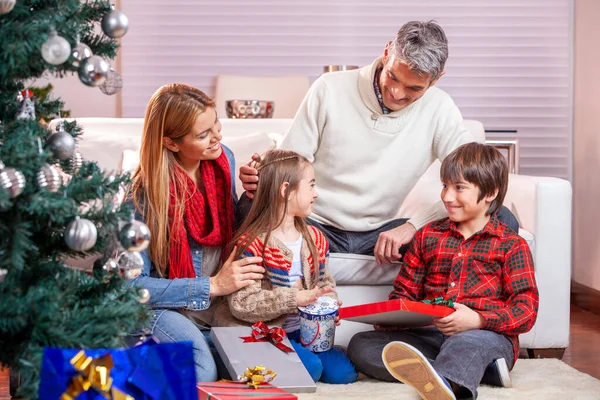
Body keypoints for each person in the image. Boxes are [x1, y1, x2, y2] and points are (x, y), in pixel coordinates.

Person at [238, 20, 519, 265]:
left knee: (499, 218)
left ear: (436, 80)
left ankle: (469, 318)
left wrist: (412, 226)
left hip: (382, 233)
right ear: (386, 52)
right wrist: (265, 174)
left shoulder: (440, 108)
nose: (397, 93)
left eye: (414, 88)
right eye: (393, 77)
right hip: (312, 223)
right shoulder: (329, 88)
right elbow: (292, 160)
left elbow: (475, 184)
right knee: (248, 203)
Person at [346, 142, 539, 399]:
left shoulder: (511, 245)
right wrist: (391, 318)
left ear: (490, 192)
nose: (447, 197)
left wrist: (478, 320)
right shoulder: (428, 236)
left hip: (482, 335)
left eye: (459, 188)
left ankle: (450, 385)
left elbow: (525, 310)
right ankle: (478, 371)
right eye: (445, 186)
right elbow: (404, 294)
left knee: (466, 344)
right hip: (429, 335)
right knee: (361, 345)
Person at [127, 83, 265, 382]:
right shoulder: (140, 197)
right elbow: (129, 287)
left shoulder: (221, 159)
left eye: (216, 125)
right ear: (171, 143)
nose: (217, 138)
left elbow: (225, 228)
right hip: (162, 308)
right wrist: (212, 285)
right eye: (203, 135)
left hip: (212, 307)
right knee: (202, 372)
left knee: (255, 369)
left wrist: (252, 196)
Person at [216, 149, 358, 384]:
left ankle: (297, 354)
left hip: (303, 331)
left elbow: (325, 283)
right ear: (286, 190)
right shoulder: (251, 244)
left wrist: (328, 304)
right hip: (265, 332)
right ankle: (249, 358)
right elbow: (243, 304)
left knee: (344, 374)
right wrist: (295, 298)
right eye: (311, 185)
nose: (316, 193)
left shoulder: (315, 238)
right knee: (310, 370)